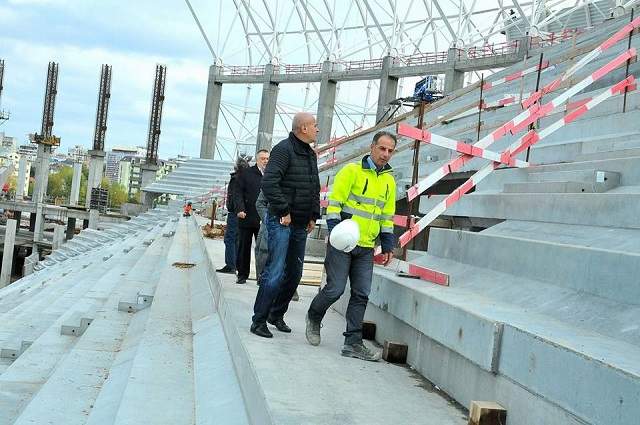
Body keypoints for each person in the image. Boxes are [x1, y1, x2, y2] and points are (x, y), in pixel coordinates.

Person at [305, 131, 397, 361]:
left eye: (390, 150)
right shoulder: (352, 171)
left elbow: (387, 216)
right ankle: (314, 316)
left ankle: (352, 343)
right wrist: (337, 231)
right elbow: (334, 205)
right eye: (382, 148)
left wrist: (387, 243)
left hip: (366, 246)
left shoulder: (389, 181)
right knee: (335, 289)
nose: (385, 154)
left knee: (361, 294)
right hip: (343, 242)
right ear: (372, 147)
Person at [250, 112, 320, 338]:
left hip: (300, 223)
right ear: (303, 128)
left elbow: (314, 187)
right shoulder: (283, 150)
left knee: (295, 274)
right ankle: (258, 320)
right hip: (282, 221)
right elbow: (269, 183)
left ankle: (276, 314)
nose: (317, 129)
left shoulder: (310, 154)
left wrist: (313, 215)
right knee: (275, 272)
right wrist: (284, 211)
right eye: (314, 126)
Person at [234, 149, 269, 284]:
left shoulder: (272, 174)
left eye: (267, 158)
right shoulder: (246, 174)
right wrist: (240, 209)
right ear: (257, 159)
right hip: (247, 215)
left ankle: (261, 276)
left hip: (264, 217)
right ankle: (242, 274)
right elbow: (238, 193)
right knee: (244, 246)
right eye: (263, 158)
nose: (265, 161)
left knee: (263, 249)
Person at [217, 156, 250, 274]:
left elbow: (236, 196)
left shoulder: (237, 179)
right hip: (240, 213)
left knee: (230, 238)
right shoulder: (246, 178)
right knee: (236, 239)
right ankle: (234, 265)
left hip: (235, 213)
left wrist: (236, 210)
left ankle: (230, 265)